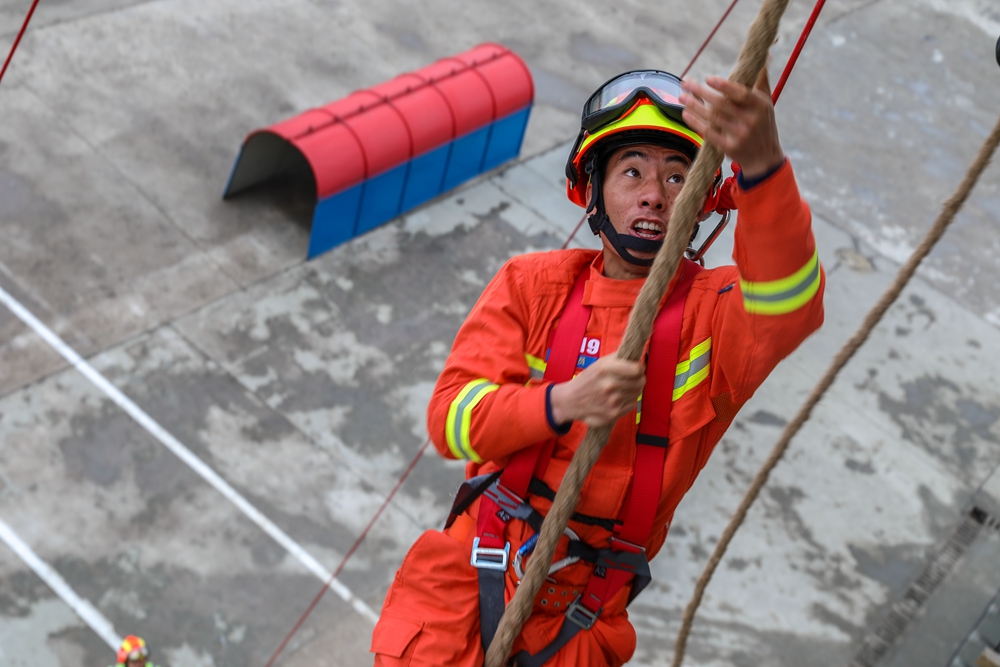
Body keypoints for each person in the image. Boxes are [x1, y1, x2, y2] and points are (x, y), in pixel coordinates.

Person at [370, 67, 824, 667]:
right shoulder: (533, 288)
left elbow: (788, 302)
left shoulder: (715, 316)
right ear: (591, 189)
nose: (655, 194)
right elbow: (452, 420)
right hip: (466, 587)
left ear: (702, 201)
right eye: (631, 170)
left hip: (582, 620)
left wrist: (762, 169)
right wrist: (560, 404)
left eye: (677, 175)